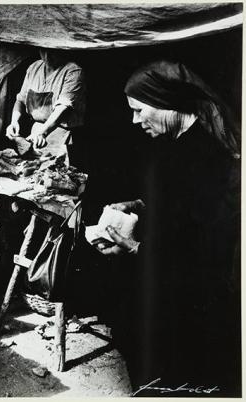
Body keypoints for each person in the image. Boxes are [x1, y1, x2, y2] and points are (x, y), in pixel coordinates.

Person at [92, 61, 240, 396]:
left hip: (189, 294)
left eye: (139, 110)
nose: (134, 120)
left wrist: (137, 250)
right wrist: (137, 206)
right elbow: (177, 208)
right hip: (167, 274)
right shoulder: (176, 144)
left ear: (166, 104)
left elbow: (205, 244)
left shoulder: (210, 159)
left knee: (172, 370)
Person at [5, 49, 86, 163]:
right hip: (36, 133)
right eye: (43, 51)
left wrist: (43, 132)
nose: (47, 56)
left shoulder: (73, 71)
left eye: (52, 51)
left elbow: (63, 108)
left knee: (58, 174)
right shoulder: (34, 68)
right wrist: (14, 122)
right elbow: (20, 100)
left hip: (62, 135)